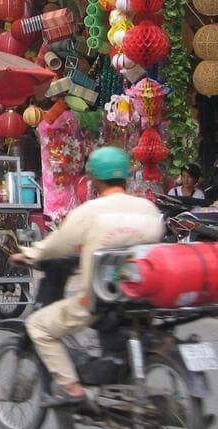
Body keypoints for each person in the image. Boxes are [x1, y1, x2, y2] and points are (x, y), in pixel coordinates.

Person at [11, 146, 165, 407]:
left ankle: (72, 390)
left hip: (102, 297)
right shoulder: (148, 208)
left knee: (38, 326)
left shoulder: (90, 212)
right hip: (143, 294)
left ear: (95, 180)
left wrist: (29, 254)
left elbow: (57, 244)